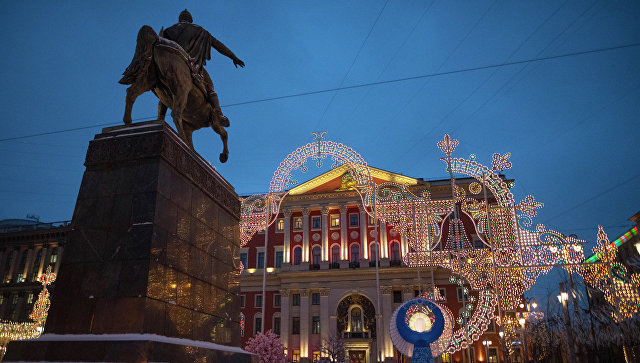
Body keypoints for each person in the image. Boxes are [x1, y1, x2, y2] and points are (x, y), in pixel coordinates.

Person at [162, 9, 244, 126]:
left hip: (169, 64)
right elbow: (218, 45)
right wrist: (233, 57)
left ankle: (160, 116)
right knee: (210, 88)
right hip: (191, 63)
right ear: (190, 20)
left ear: (180, 19)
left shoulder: (168, 31)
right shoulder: (200, 31)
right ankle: (219, 115)